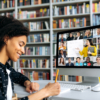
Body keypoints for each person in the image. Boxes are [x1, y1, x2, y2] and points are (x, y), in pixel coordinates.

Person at [0, 16, 60, 100]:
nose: (23, 51)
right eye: (20, 44)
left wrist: (27, 83)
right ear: (6, 39)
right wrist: (45, 92)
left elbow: (18, 77)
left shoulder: (5, 67)